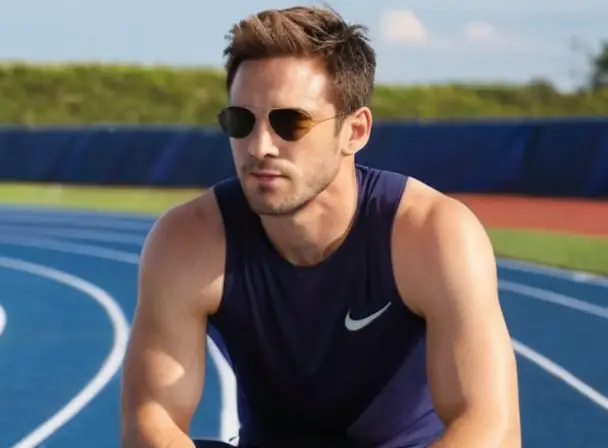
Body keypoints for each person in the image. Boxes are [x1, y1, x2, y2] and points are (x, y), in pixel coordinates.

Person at [120, 5, 521, 448]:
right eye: (241, 121)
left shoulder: (432, 234)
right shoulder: (188, 240)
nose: (259, 146)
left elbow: (492, 427)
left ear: (355, 131)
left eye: (290, 122)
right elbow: (151, 419)